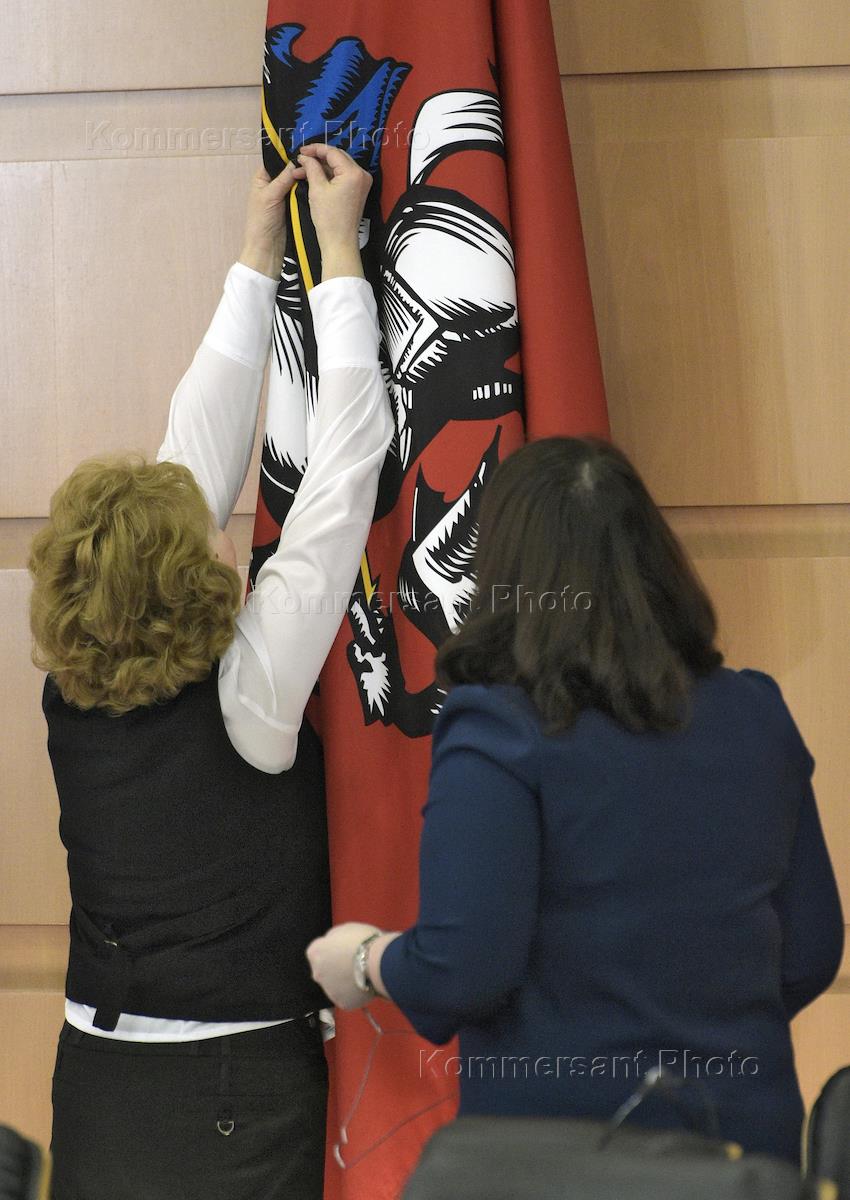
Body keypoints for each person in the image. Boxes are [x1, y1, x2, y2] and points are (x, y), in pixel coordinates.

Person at [307, 436, 844, 1165]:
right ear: (656, 565)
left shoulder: (497, 727)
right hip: (746, 1151)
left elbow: (464, 967)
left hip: (562, 1158)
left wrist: (365, 961)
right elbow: (810, 950)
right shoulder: (756, 711)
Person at [28, 143, 393, 1200]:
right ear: (189, 579)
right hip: (229, 1098)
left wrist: (256, 257)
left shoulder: (75, 684)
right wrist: (339, 262)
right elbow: (346, 466)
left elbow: (195, 446)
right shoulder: (248, 693)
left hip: (95, 1081)